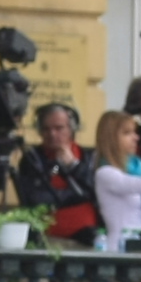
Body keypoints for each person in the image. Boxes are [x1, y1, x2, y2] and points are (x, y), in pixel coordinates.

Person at [17, 103, 100, 240]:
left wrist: (73, 165)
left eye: (59, 128)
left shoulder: (88, 156)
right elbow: (37, 196)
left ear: (71, 129)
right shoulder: (33, 158)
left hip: (86, 233)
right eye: (46, 129)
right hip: (47, 233)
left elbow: (96, 189)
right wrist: (78, 196)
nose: (52, 134)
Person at [90, 109, 141, 250]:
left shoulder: (139, 167)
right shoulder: (105, 173)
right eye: (127, 133)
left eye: (135, 132)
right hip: (121, 245)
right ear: (111, 138)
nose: (136, 138)